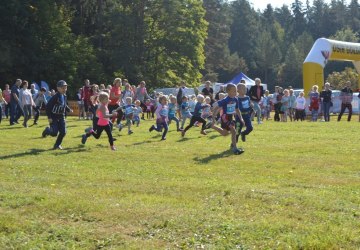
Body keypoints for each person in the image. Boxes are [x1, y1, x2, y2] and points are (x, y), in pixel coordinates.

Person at [211, 84, 245, 155]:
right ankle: (235, 148)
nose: (236, 92)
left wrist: (241, 118)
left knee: (225, 133)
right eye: (234, 91)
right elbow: (216, 107)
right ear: (228, 91)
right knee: (234, 131)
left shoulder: (235, 99)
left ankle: (212, 126)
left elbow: (237, 109)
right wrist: (213, 118)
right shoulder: (225, 100)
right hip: (225, 118)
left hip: (231, 117)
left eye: (236, 91)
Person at [42, 80, 72, 150]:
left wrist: (68, 109)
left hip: (61, 116)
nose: (65, 89)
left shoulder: (64, 96)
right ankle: (47, 130)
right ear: (58, 88)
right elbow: (48, 107)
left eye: (66, 88)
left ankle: (57, 145)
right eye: (63, 88)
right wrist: (49, 117)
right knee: (54, 133)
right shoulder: (55, 97)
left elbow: (64, 105)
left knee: (63, 132)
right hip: (53, 117)